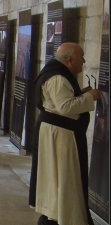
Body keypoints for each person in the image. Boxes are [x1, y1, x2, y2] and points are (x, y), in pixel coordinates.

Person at [29, 43, 100, 225]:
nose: (84, 61)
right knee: (63, 177)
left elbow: (61, 101)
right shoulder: (58, 77)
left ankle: (55, 213)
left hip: (56, 132)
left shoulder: (57, 73)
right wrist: (90, 96)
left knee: (56, 177)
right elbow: (65, 107)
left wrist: (81, 94)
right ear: (69, 60)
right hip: (60, 136)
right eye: (81, 57)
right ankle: (61, 215)